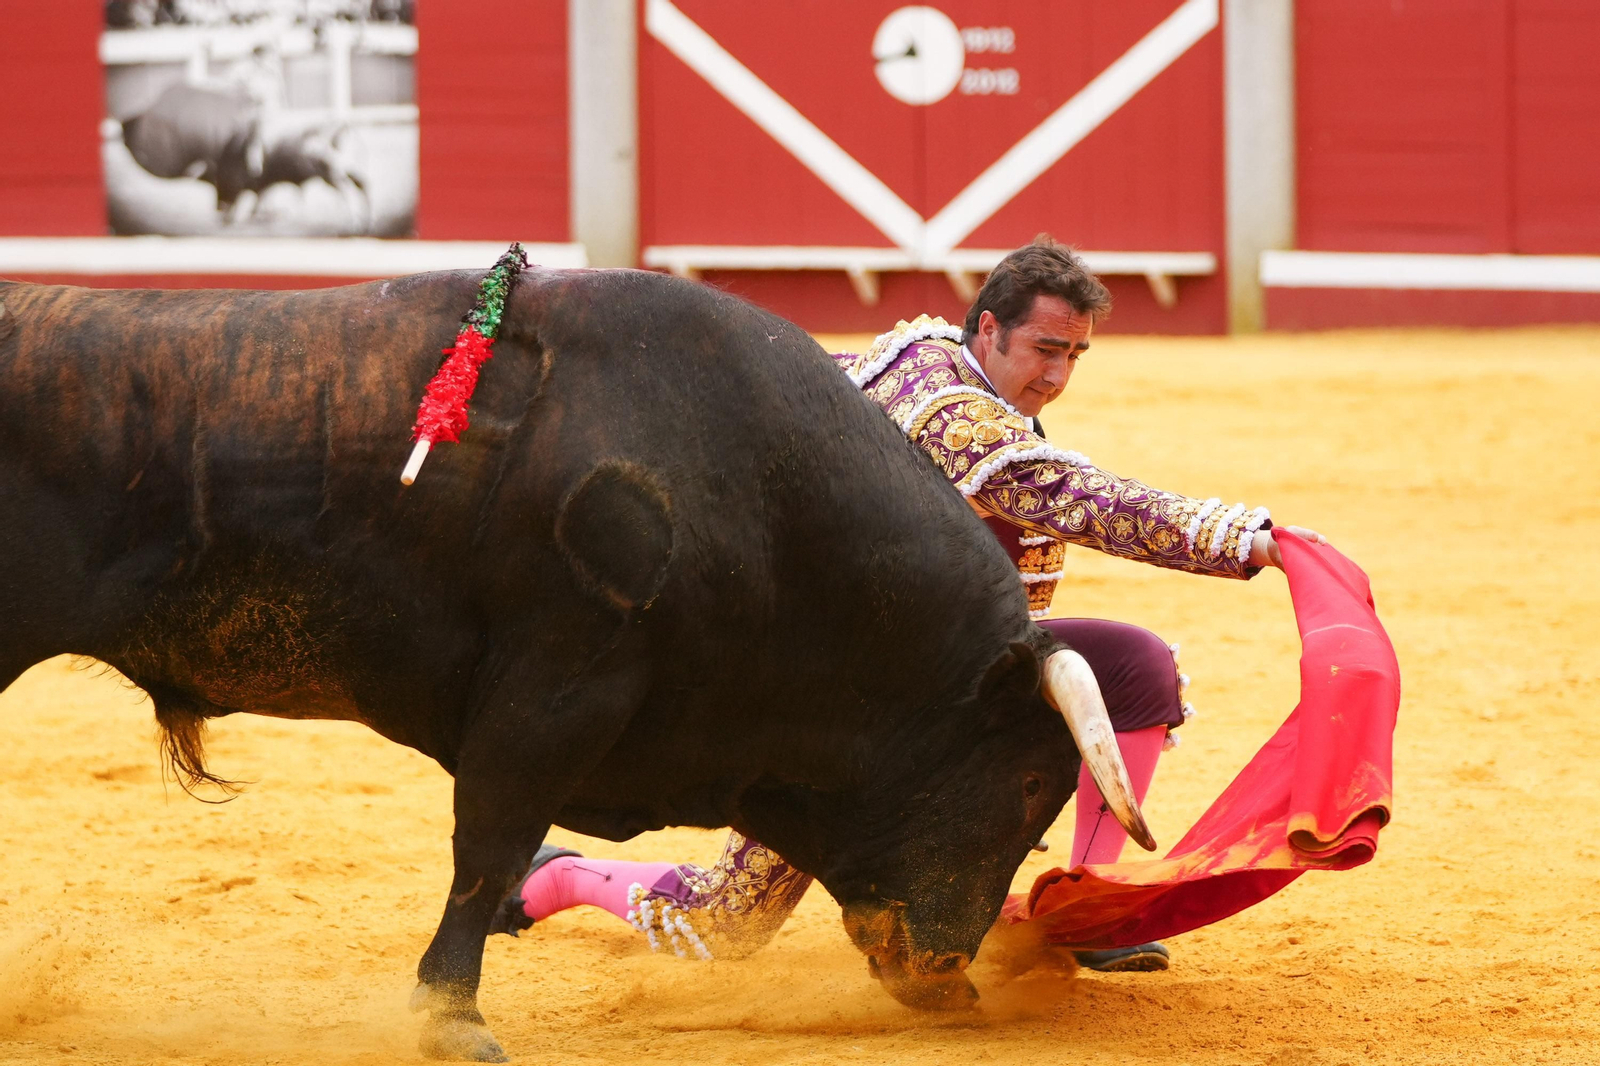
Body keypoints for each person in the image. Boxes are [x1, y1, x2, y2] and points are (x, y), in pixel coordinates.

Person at [488, 238, 1326, 973]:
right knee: (725, 925)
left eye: (1075, 354)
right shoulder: (940, 406)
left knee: (1137, 669)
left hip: (952, 673)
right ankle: (555, 877)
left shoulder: (959, 379)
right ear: (988, 329)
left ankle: (1092, 907)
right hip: (833, 709)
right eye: (1046, 349)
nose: (1058, 376)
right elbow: (1068, 495)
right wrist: (1245, 539)